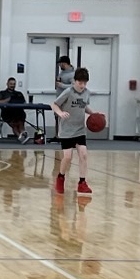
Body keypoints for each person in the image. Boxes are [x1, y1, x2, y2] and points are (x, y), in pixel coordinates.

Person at [50, 67, 93, 195]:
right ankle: (60, 177)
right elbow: (54, 104)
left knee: (84, 155)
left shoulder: (87, 93)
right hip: (67, 130)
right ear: (74, 81)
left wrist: (94, 114)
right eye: (80, 83)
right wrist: (60, 113)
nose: (82, 85)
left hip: (80, 129)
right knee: (67, 157)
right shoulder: (68, 92)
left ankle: (82, 183)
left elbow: (84, 107)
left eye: (85, 83)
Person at [0, 76, 27, 141]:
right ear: (7, 84)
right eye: (11, 84)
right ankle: (21, 137)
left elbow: (24, 103)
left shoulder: (19, 93)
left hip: (19, 112)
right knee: (15, 124)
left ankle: (22, 134)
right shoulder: (2, 93)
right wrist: (8, 100)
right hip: (7, 113)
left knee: (20, 122)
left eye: (14, 84)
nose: (12, 85)